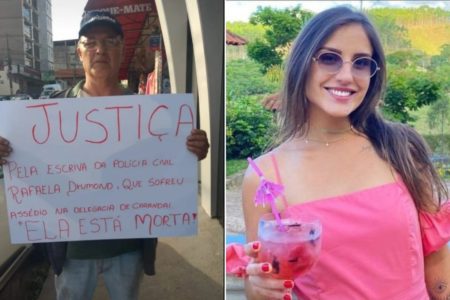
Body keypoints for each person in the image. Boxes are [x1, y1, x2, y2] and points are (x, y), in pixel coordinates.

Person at [236, 6, 450, 300]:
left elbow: (437, 265)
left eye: (361, 63)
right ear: (302, 63)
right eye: (329, 58)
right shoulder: (264, 176)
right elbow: (260, 277)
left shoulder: (401, 148)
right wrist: (260, 287)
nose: (346, 75)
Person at [0, 10, 209, 300]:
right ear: (79, 51)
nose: (100, 49)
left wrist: (193, 150)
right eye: (91, 42)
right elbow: (28, 167)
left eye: (110, 41)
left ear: (122, 48)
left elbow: (167, 165)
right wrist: (6, 154)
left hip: (128, 247)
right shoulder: (46, 114)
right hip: (72, 250)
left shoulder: (154, 115)